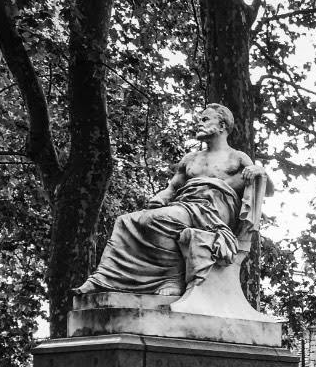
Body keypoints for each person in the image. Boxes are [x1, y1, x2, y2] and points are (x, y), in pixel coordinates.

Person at [75, 104, 271, 297]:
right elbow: (172, 188)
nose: (199, 124)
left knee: (163, 220)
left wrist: (259, 171)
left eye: (205, 119)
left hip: (213, 212)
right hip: (185, 205)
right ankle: (103, 278)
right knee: (126, 221)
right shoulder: (190, 159)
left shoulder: (237, 157)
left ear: (222, 126)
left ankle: (172, 278)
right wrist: (160, 197)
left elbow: (268, 189)